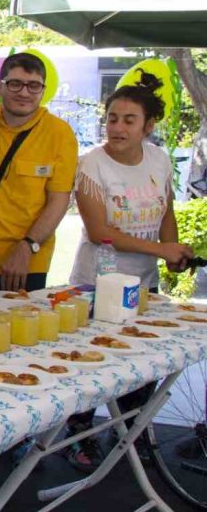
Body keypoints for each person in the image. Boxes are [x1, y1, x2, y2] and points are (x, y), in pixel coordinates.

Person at [60, 73, 193, 471]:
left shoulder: (160, 159)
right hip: (95, 282)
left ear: (148, 126)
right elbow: (101, 232)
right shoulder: (90, 165)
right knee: (92, 362)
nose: (117, 127)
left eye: (128, 120)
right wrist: (162, 248)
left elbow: (166, 210)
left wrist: (170, 252)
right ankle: (76, 435)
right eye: (112, 118)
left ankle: (129, 431)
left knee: (142, 359)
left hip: (143, 281)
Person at [0, 52, 78, 292]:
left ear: (43, 90)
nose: (24, 93)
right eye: (15, 84)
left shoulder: (60, 134)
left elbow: (58, 201)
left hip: (28, 262)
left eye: (34, 86)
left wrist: (27, 246)